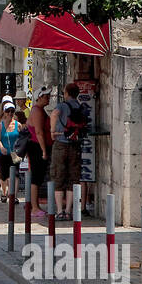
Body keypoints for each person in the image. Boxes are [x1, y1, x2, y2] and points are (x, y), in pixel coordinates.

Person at [50, 83, 88, 221]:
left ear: (66, 92)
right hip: (75, 144)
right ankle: (68, 210)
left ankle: (59, 211)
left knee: (58, 176)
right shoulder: (80, 106)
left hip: (60, 142)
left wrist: (52, 131)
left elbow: (54, 114)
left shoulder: (62, 105)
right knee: (73, 177)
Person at [26, 86, 52, 216]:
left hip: (38, 146)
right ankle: (35, 207)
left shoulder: (40, 110)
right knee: (36, 177)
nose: (49, 98)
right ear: (39, 97)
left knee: (38, 176)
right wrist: (44, 151)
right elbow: (39, 132)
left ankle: (35, 206)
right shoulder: (37, 111)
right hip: (36, 147)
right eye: (46, 96)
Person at [0, 99, 21, 199]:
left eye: (12, 111)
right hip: (3, 153)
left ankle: (14, 196)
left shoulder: (18, 125)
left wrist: (21, 149)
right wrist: (1, 147)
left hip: (15, 153)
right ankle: (4, 193)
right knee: (4, 175)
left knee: (16, 175)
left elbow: (22, 138)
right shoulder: (0, 126)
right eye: (8, 111)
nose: (10, 113)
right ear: (4, 112)